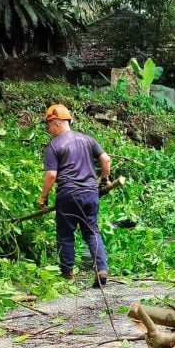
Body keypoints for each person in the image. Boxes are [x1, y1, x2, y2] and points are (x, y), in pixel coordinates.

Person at [38, 104, 112, 286]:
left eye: (49, 126)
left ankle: (67, 273)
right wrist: (105, 179)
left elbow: (51, 175)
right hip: (90, 193)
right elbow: (106, 159)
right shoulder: (88, 139)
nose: (49, 130)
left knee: (65, 234)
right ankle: (101, 268)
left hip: (68, 195)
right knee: (92, 231)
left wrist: (43, 197)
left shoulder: (54, 145)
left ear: (56, 123)